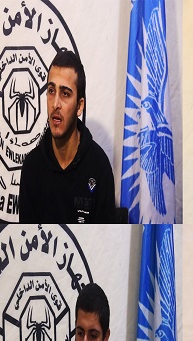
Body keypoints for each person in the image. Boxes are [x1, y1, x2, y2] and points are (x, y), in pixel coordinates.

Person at [18, 50, 117, 223]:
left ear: (80, 106)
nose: (55, 104)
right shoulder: (32, 167)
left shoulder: (99, 167)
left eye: (65, 94)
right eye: (51, 91)